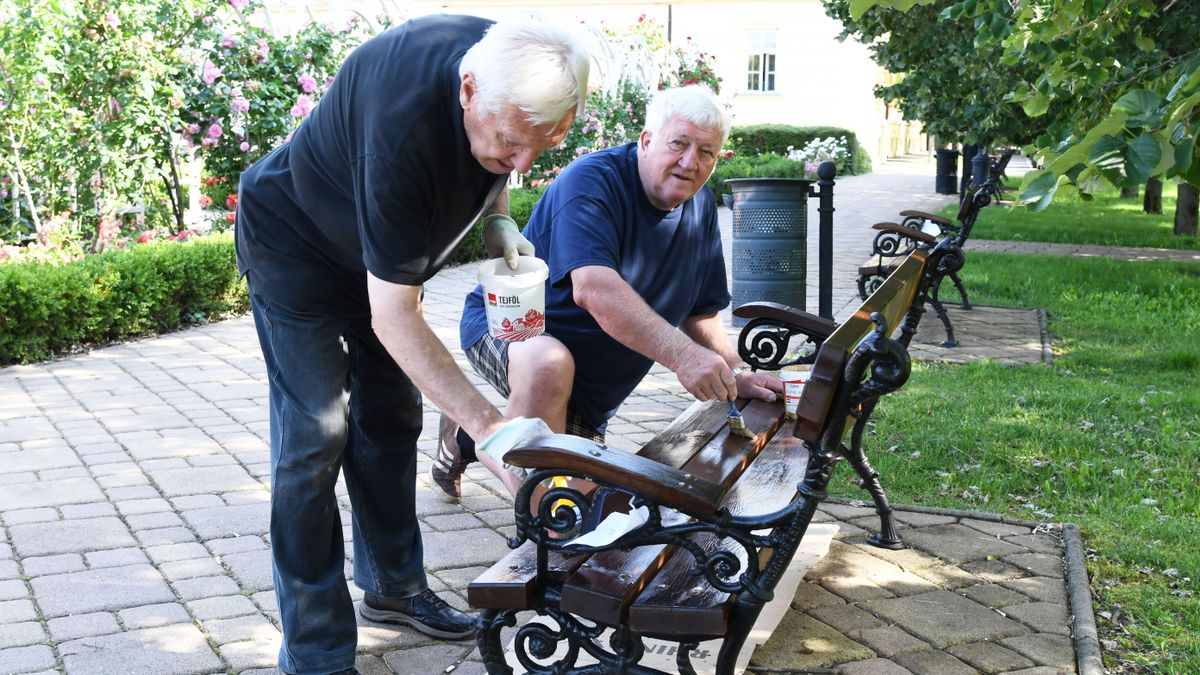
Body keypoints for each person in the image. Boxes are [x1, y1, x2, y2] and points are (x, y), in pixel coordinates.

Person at [234, 13, 589, 675]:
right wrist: (489, 428)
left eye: (544, 146)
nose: (522, 162)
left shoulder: (515, 54)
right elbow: (393, 316)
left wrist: (500, 218)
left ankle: (394, 588)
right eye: (510, 143)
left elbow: (507, 144)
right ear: (466, 93)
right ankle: (315, 646)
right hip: (295, 246)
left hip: (380, 256)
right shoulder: (403, 125)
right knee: (316, 433)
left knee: (394, 417)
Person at [435, 84, 783, 498]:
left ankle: (464, 438)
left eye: (706, 152)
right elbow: (594, 290)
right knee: (558, 498)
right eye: (679, 144)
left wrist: (733, 374)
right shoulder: (592, 181)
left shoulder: (700, 205)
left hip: (589, 389)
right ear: (647, 140)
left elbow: (701, 311)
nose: (690, 162)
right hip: (509, 327)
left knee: (582, 490)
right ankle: (537, 544)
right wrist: (684, 357)